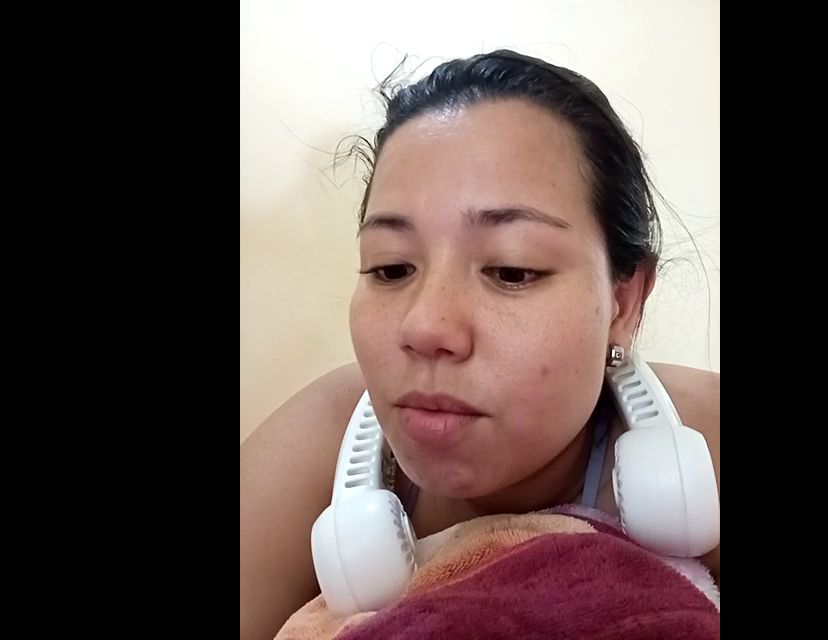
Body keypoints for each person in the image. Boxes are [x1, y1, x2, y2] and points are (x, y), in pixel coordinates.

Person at [240, 50, 719, 640]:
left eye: (512, 271)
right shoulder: (318, 439)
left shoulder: (709, 433)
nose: (425, 327)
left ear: (623, 302)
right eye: (391, 268)